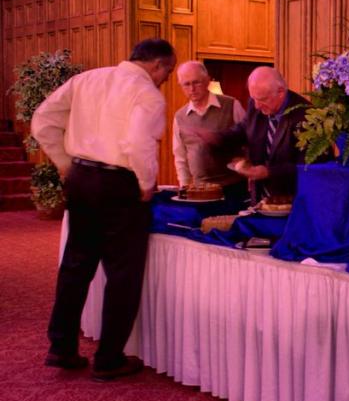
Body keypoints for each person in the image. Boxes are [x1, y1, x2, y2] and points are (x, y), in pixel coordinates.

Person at [31, 38, 176, 382]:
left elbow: (42, 120)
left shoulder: (87, 79)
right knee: (122, 274)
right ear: (157, 64)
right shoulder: (147, 94)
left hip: (81, 178)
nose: (166, 78)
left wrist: (64, 163)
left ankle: (61, 347)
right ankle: (109, 359)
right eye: (168, 71)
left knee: (75, 266)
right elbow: (138, 143)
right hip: (120, 185)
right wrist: (146, 183)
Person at [213, 66, 313, 201]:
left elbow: (309, 167)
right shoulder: (256, 103)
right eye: (253, 98)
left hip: (292, 200)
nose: (256, 106)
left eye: (262, 99)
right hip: (260, 198)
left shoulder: (306, 115)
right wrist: (216, 138)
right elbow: (244, 129)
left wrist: (269, 171)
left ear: (281, 92)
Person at [171, 61, 246, 198]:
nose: (192, 89)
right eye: (186, 84)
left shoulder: (231, 105)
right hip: (199, 190)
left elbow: (249, 140)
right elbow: (180, 156)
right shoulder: (179, 116)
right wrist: (184, 186)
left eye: (196, 82)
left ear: (207, 81)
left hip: (233, 187)